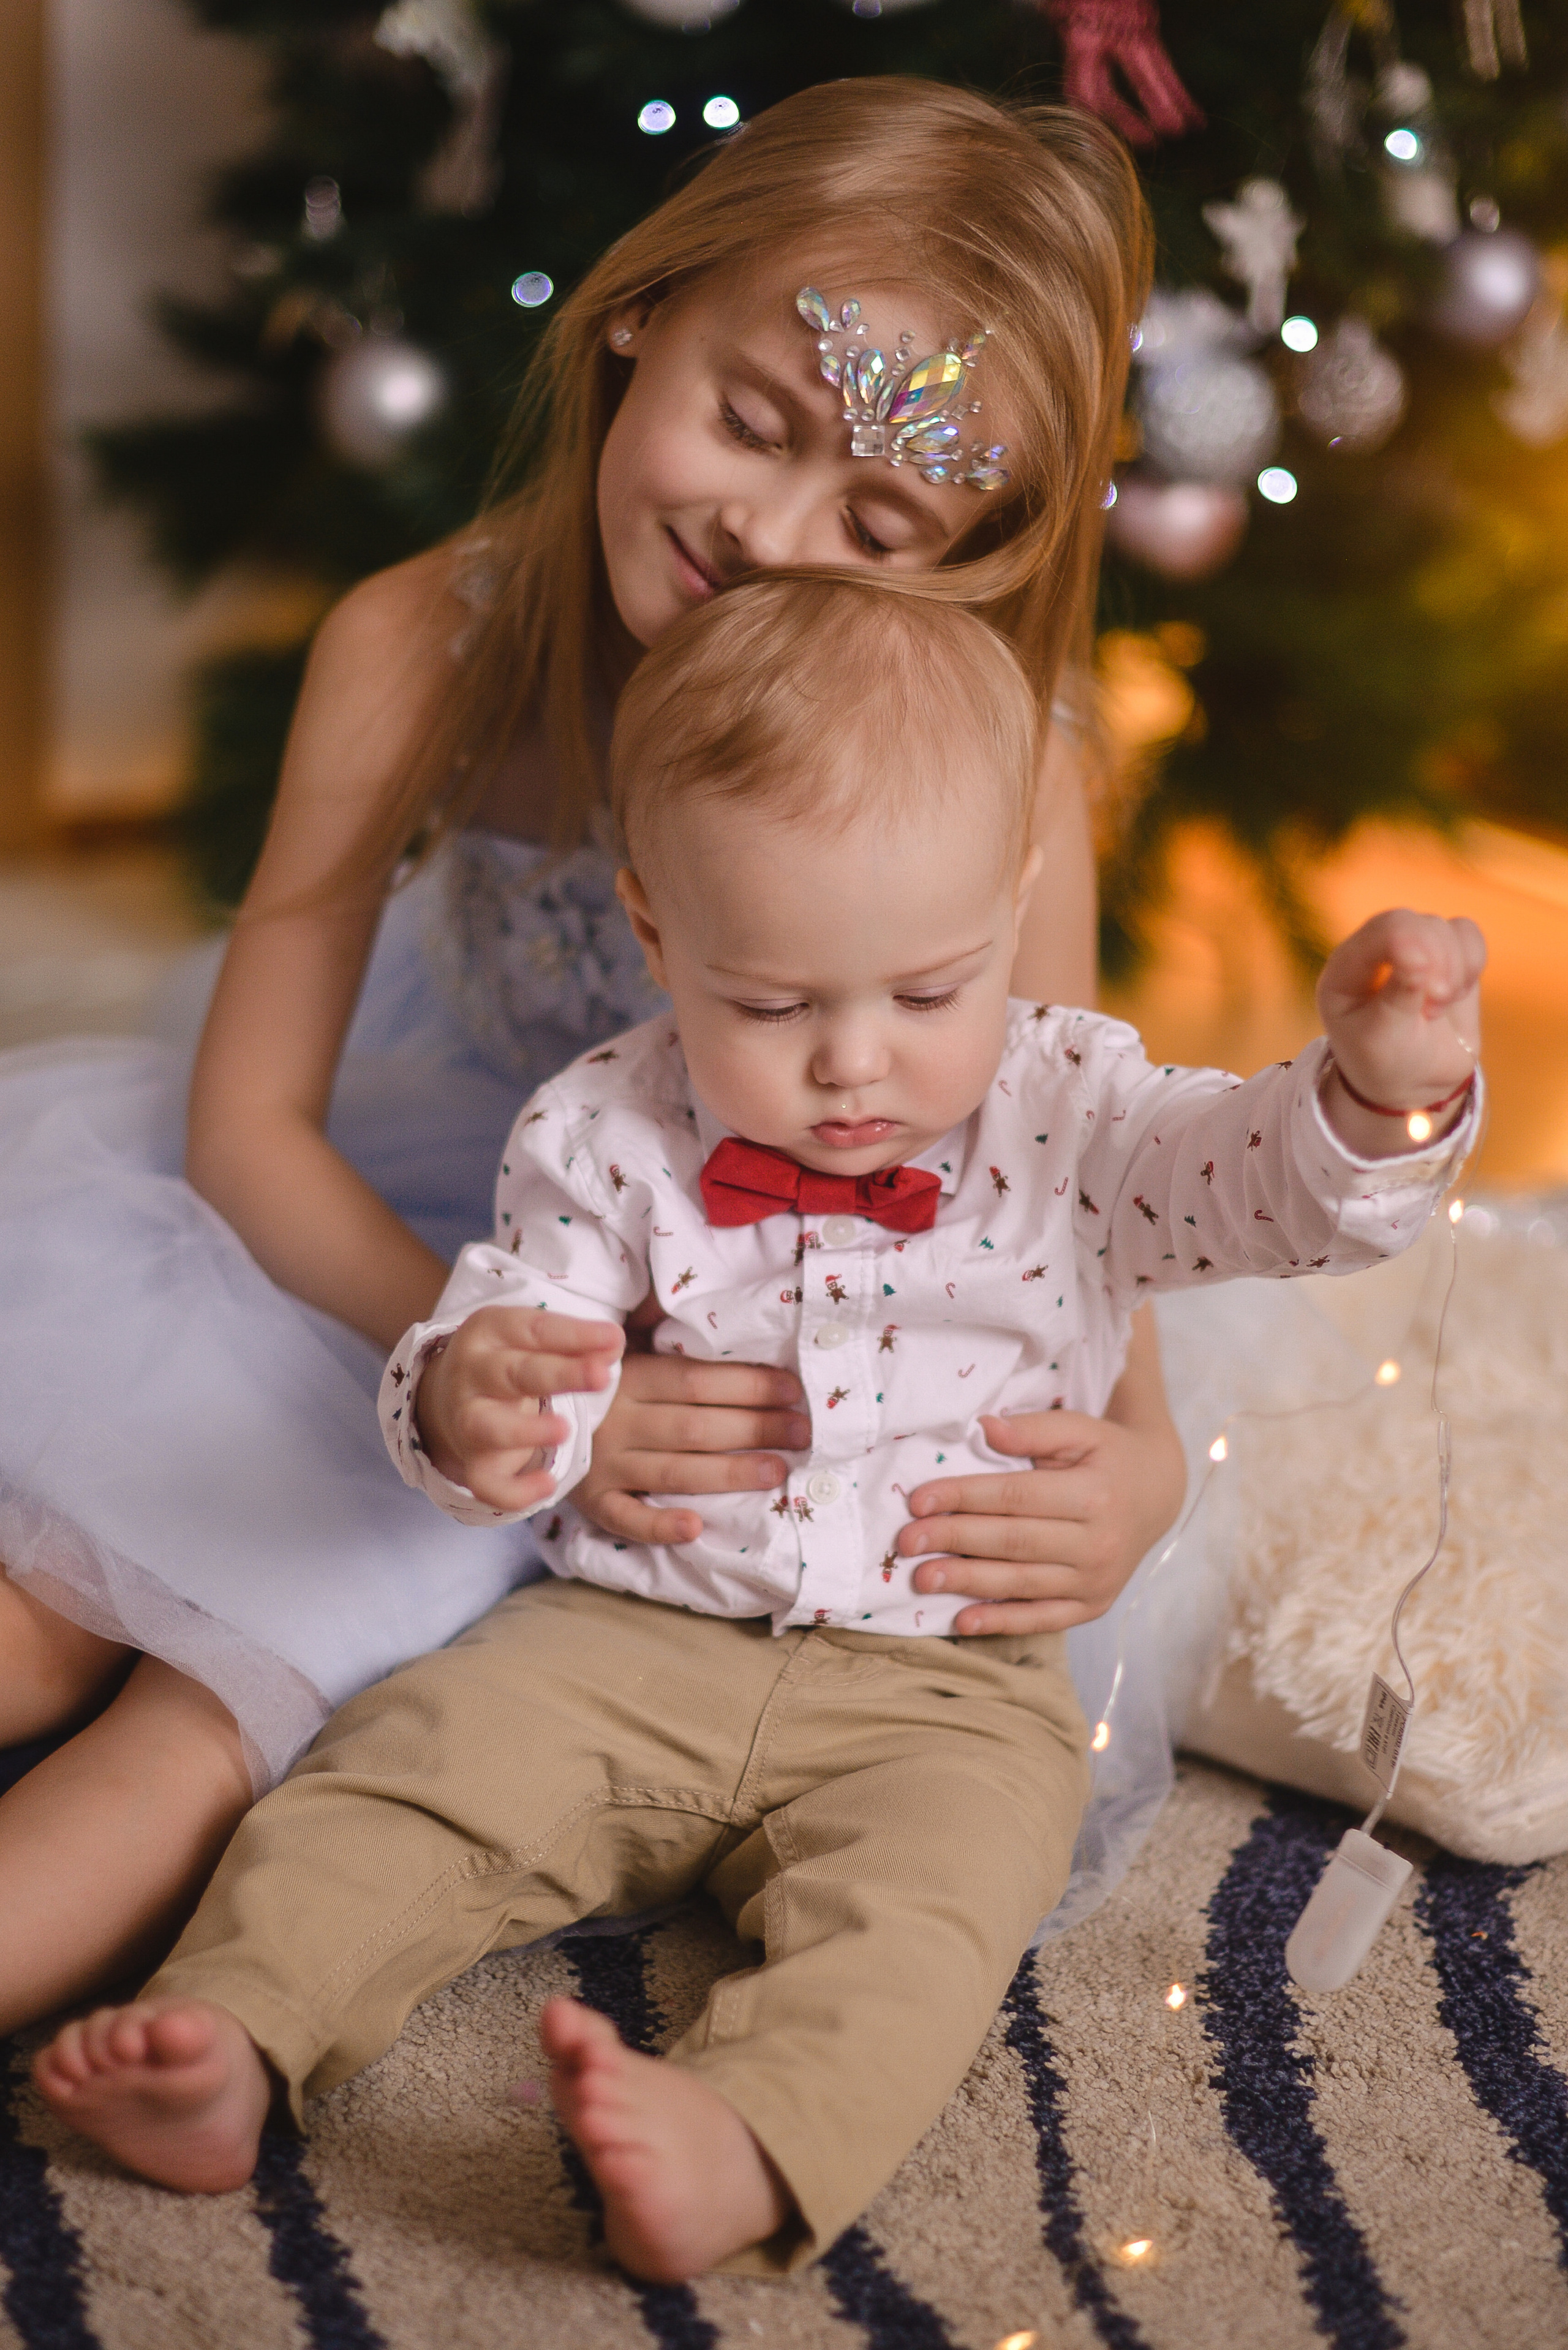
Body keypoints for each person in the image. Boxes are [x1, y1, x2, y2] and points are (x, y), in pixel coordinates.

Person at [35, 576, 1484, 2283]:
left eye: (926, 992)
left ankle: (749, 2139)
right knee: (391, 1781)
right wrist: (471, 1399)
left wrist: (1378, 1093)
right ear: (658, 935)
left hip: (952, 1685)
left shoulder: (1083, 1113)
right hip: (620, 1630)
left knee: (934, 1922)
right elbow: (507, 1333)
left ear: (1012, 910)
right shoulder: (598, 1126)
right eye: (776, 1006)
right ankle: (229, 2037)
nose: (855, 1063)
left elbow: (1276, 1191)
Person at [0, 78, 1195, 2036]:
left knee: (235, 1685)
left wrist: (1138, 1465)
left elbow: (1063, 1148)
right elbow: (249, 1118)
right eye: (750, 422)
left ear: (973, 556)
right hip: (389, 1242)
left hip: (743, 1344)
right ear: (645, 306)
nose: (772, 533)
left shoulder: (1021, 765)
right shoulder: (425, 645)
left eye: (880, 521)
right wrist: (506, 1370)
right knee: (49, 1598)